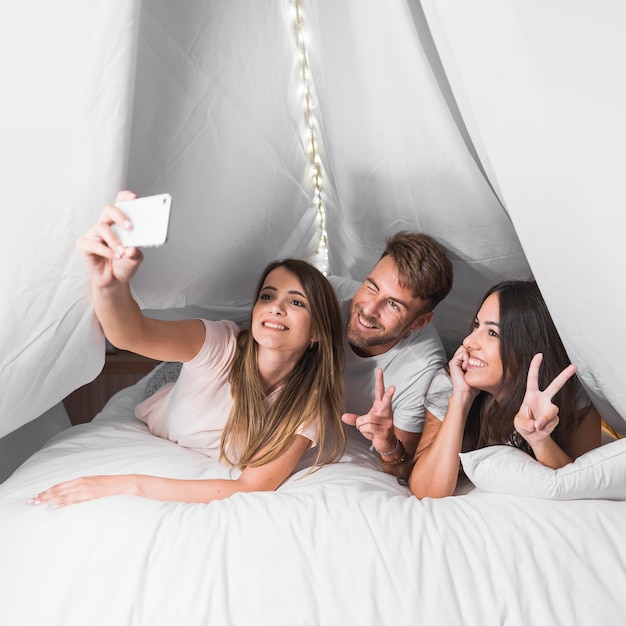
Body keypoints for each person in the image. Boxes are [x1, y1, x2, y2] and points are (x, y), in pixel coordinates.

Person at [29, 191, 346, 507]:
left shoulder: (308, 406)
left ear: (317, 331)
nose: (275, 308)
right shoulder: (220, 343)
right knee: (177, 365)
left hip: (206, 382)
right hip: (170, 385)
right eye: (267, 296)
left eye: (295, 302)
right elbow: (130, 335)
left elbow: (250, 486)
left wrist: (128, 484)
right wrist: (111, 285)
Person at [408, 280, 602, 498]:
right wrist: (460, 400)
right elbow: (427, 491)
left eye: (492, 333)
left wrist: (539, 440)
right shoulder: (449, 383)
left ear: (526, 347)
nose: (469, 341)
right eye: (476, 325)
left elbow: (583, 488)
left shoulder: (572, 396)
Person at [329, 231, 454, 471]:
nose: (369, 309)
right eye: (372, 287)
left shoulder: (422, 369)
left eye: (393, 304)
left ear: (419, 322)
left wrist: (387, 443)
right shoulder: (332, 295)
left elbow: (402, 466)